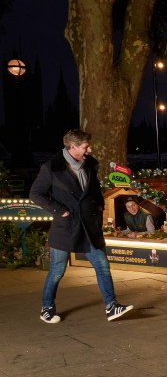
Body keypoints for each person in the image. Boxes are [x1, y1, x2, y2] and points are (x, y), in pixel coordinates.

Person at [29, 129, 134, 323]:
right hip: (65, 227)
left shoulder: (90, 164)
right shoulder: (51, 168)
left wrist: (100, 206)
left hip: (89, 226)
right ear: (73, 147)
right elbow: (36, 194)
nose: (90, 149)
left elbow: (93, 189)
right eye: (86, 146)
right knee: (57, 270)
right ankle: (47, 308)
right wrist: (59, 210)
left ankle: (112, 306)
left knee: (102, 265)